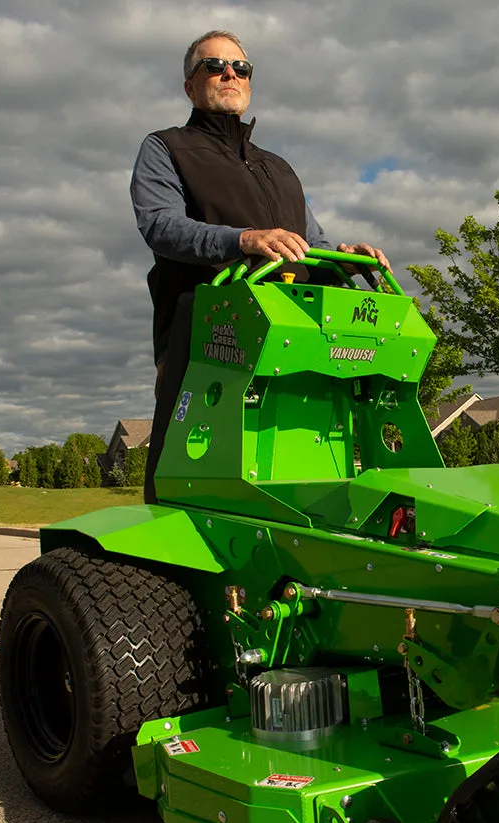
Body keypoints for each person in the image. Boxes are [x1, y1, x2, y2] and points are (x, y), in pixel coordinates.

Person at [130, 29, 388, 502]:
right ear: (190, 85)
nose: (230, 73)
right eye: (214, 66)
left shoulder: (279, 167)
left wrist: (346, 261)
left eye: (240, 68)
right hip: (207, 331)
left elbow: (312, 243)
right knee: (190, 473)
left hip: (294, 337)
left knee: (291, 462)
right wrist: (243, 240)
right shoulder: (165, 148)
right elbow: (159, 226)